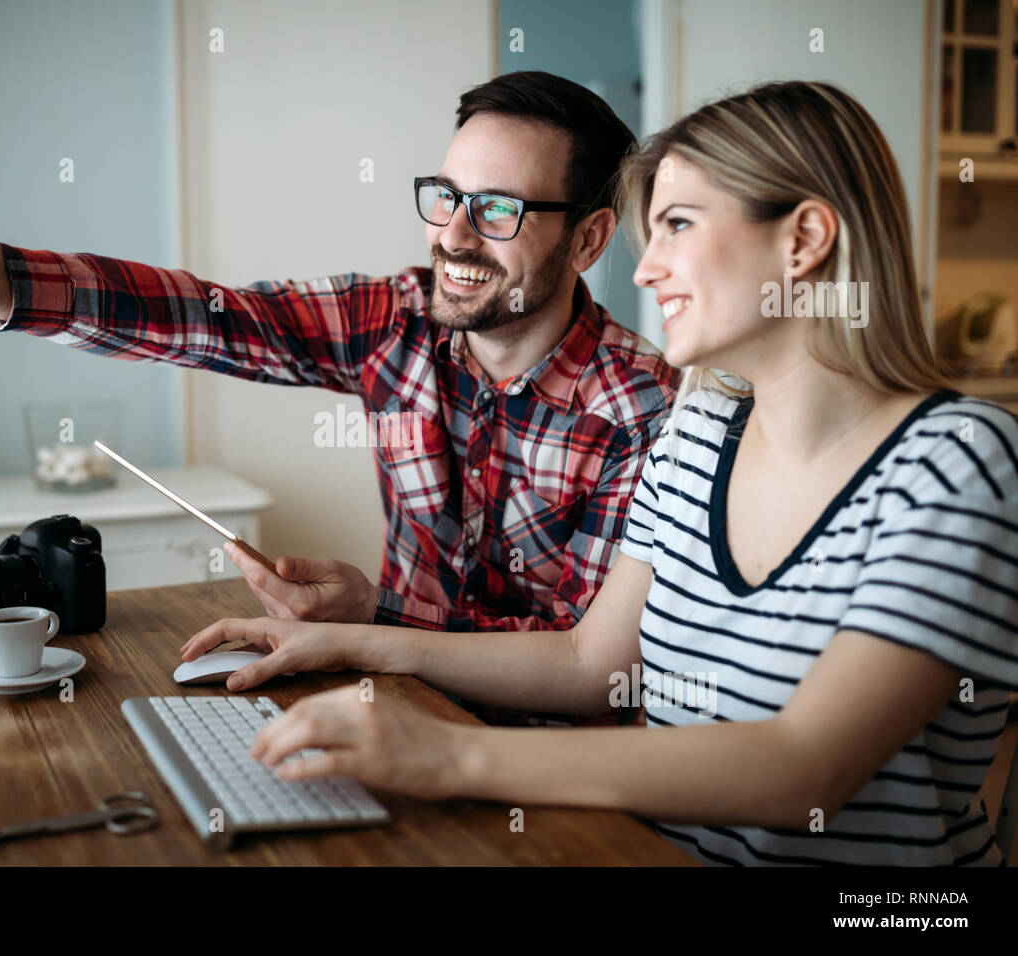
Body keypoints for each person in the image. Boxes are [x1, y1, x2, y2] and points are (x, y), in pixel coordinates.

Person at [180, 80, 1018, 865]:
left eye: (680, 226)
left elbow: (807, 769)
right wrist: (348, 639)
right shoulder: (701, 429)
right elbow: (588, 661)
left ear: (802, 240)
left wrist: (451, 754)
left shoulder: (956, 461)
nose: (647, 270)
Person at [0, 71, 678, 724]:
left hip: (549, 775)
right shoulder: (393, 321)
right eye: (446, 197)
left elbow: (585, 665)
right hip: (386, 710)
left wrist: (378, 620)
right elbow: (213, 319)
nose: (454, 237)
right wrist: (4, 283)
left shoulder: (645, 410)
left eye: (497, 209)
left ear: (589, 238)